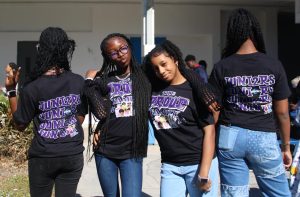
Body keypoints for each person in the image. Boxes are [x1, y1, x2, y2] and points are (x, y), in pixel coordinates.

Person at [209, 8, 292, 197]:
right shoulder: (273, 65)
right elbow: (282, 113)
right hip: (263, 137)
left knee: (234, 194)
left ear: (232, 34)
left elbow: (214, 111)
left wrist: (208, 144)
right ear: (255, 32)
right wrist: (286, 147)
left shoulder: (222, 67)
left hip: (230, 137)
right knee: (278, 194)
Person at [4, 27, 87, 197]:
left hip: (43, 157)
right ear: (66, 50)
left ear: (41, 50)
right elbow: (79, 117)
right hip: (72, 154)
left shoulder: (32, 87)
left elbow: (19, 124)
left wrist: (12, 90)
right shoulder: (78, 82)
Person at [143, 40, 218, 197]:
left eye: (164, 64)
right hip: (170, 166)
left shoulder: (195, 90)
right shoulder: (153, 89)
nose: (161, 71)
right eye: (156, 68)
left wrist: (204, 173)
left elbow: (209, 131)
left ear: (175, 60)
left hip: (198, 164)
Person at [84, 33, 151, 197]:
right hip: (105, 150)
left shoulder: (145, 76)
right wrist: (88, 80)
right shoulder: (105, 80)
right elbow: (101, 113)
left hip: (132, 151)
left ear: (129, 47)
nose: (120, 54)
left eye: (123, 48)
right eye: (113, 53)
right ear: (108, 57)